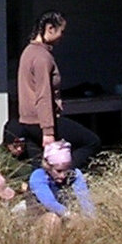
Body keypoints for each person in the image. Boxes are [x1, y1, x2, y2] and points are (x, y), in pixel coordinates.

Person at [14, 11, 100, 169]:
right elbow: (43, 95)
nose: (62, 36)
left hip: (27, 121)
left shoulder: (28, 51)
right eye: (61, 31)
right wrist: (48, 131)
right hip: (41, 120)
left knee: (39, 165)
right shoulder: (42, 57)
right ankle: (64, 173)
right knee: (91, 142)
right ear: (50, 28)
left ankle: (40, 189)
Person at [27, 139, 97, 220]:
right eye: (58, 171)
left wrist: (91, 220)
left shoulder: (74, 174)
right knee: (52, 219)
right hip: (38, 218)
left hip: (67, 216)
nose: (63, 175)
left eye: (66, 171)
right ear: (48, 167)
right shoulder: (38, 176)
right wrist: (70, 215)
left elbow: (85, 200)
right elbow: (49, 203)